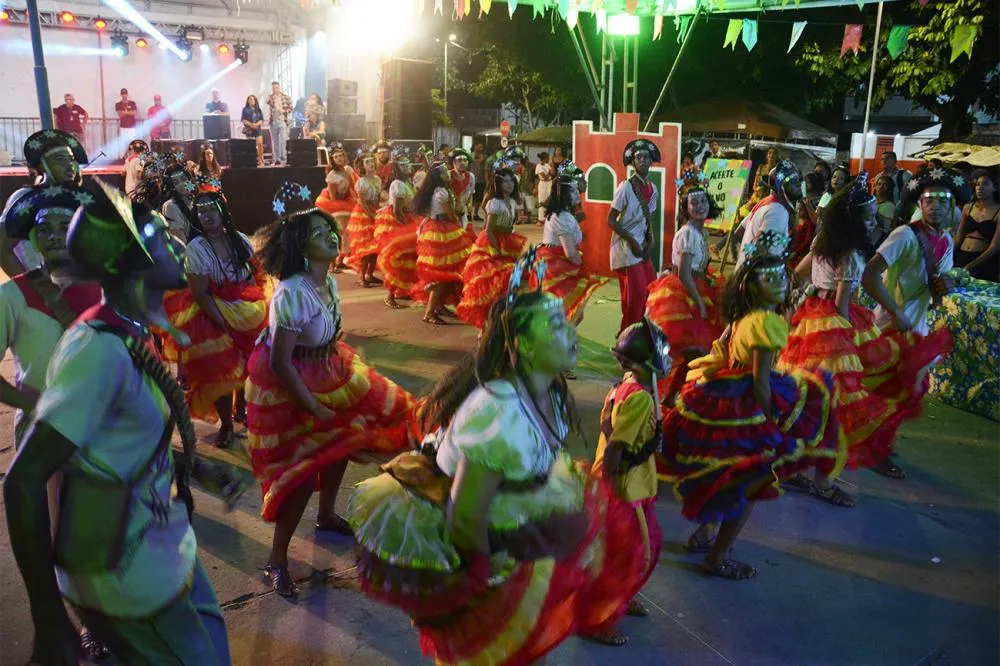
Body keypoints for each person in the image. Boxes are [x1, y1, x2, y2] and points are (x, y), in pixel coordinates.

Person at [348, 251, 648, 662]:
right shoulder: (499, 411)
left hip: (506, 525)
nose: (573, 335)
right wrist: (491, 590)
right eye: (556, 327)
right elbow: (466, 520)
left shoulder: (549, 393)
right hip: (476, 541)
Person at [5, 182, 232, 663]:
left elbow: (114, 438)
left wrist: (197, 467)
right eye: (155, 233)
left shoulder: (131, 329)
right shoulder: (99, 348)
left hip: (163, 547)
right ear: (125, 260)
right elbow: (22, 480)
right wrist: (49, 620)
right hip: (123, 574)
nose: (173, 239)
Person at [245, 184, 417, 596]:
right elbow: (281, 363)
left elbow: (328, 338)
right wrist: (313, 406)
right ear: (303, 246)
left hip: (327, 364)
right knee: (301, 475)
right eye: (321, 232)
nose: (332, 235)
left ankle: (326, 517)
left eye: (331, 230)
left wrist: (332, 388)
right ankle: (277, 559)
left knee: (341, 444)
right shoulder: (290, 293)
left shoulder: (331, 283)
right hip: (287, 382)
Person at [659, 230, 844, 580]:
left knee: (728, 475)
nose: (779, 284)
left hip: (727, 401)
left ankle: (704, 533)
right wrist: (771, 420)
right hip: (747, 407)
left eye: (781, 277)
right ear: (750, 285)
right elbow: (761, 381)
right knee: (749, 485)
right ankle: (717, 556)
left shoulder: (740, 318)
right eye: (769, 278)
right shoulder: (765, 324)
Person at [780, 173, 945, 504]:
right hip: (833, 328)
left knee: (804, 399)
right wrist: (849, 348)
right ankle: (823, 482)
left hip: (807, 323)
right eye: (869, 217)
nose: (874, 223)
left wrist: (799, 301)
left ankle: (790, 467)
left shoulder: (822, 241)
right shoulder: (853, 255)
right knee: (840, 410)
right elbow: (842, 305)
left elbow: (796, 272)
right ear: (854, 220)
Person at [0, 184, 109, 660]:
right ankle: (77, 621)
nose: (54, 235)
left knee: (108, 528)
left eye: (65, 225)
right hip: (48, 432)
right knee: (63, 532)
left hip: (107, 429)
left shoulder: (107, 284)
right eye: (43, 228)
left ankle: (106, 614)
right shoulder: (12, 295)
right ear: (32, 241)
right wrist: (30, 404)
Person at [861, 167, 968, 478]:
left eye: (942, 201)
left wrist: (943, 289)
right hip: (891, 325)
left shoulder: (946, 240)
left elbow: (936, 293)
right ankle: (874, 447)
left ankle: (878, 442)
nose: (935, 206)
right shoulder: (904, 234)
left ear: (951, 208)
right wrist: (896, 311)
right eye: (928, 200)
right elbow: (869, 276)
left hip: (917, 328)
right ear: (919, 205)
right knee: (886, 389)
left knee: (907, 391)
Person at [166, 191, 270, 445]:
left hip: (246, 310)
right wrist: (224, 325)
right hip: (211, 312)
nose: (206, 216)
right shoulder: (197, 247)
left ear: (223, 211)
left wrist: (251, 309)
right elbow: (200, 293)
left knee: (247, 367)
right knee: (221, 373)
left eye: (211, 210)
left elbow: (255, 274)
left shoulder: (240, 240)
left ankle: (241, 409)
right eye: (201, 212)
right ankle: (226, 425)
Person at [590, 318, 669, 644]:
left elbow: (612, 431)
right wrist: (607, 492)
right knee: (631, 554)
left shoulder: (627, 385)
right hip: (625, 489)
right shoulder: (638, 398)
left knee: (632, 551)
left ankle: (620, 595)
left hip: (634, 485)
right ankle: (598, 619)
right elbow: (618, 448)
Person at [645, 169, 726, 404]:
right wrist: (699, 302)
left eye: (703, 201)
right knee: (691, 351)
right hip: (686, 292)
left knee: (694, 353)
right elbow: (684, 273)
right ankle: (667, 398)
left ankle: (675, 397)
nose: (700, 206)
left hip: (698, 286)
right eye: (694, 203)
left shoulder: (699, 232)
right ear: (685, 207)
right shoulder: (688, 233)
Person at [1, 129, 87, 277]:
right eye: (60, 159)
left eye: (71, 159)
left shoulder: (82, 198)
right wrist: (30, 285)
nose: (69, 164)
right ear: (42, 166)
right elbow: (2, 246)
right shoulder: (25, 198)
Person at [534, 162, 608, 329]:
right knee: (567, 313)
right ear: (565, 193)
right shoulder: (562, 217)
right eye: (573, 190)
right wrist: (580, 270)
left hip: (554, 265)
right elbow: (570, 252)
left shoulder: (563, 215)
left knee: (570, 313)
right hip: (557, 268)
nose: (578, 194)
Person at [455, 157, 526, 328]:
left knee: (506, 281)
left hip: (508, 241)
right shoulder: (495, 203)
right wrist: (497, 249)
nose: (509, 185)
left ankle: (501, 319)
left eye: (511, 182)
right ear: (497, 184)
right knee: (490, 283)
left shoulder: (510, 202)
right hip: (493, 243)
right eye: (505, 182)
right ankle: (488, 323)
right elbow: (488, 230)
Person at [412, 162, 473, 325]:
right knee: (444, 275)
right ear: (439, 175)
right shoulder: (442, 191)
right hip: (442, 231)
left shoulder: (437, 190)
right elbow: (450, 214)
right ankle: (430, 312)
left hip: (436, 229)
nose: (448, 173)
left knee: (447, 273)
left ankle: (439, 306)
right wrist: (459, 226)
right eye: (445, 171)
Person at [609, 139, 660, 333]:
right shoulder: (626, 187)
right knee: (634, 299)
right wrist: (632, 241)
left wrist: (651, 240)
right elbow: (611, 220)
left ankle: (642, 335)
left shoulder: (652, 189)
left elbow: (648, 220)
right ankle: (628, 339)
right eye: (639, 157)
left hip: (641, 246)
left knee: (651, 292)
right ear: (633, 162)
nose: (643, 160)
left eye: (646, 157)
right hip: (625, 249)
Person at [736, 160, 803, 268]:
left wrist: (743, 256)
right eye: (793, 181)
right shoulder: (777, 211)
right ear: (781, 186)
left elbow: (739, 233)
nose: (799, 184)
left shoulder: (765, 202)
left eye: (799, 180)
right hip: (758, 279)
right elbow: (758, 251)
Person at [374, 151, 419, 309]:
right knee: (396, 261)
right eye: (403, 165)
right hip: (398, 222)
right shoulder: (398, 184)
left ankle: (402, 290)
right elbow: (397, 210)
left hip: (409, 219)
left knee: (409, 260)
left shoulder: (408, 182)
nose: (407, 167)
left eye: (408, 164)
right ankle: (390, 295)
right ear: (397, 168)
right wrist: (406, 228)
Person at [954, 169, 999, 281]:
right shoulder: (968, 208)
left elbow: (994, 247)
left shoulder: (998, 212)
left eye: (985, 184)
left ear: (995, 188)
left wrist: (971, 266)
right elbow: (958, 238)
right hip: (960, 257)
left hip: (983, 262)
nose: (980, 187)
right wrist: (946, 256)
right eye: (978, 184)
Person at [346, 151, 382, 287]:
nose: (371, 164)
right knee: (366, 249)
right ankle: (362, 277)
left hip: (374, 212)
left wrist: (379, 213)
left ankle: (370, 274)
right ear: (362, 165)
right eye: (367, 162)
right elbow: (362, 203)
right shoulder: (361, 182)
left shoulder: (377, 179)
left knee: (376, 247)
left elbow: (376, 200)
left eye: (372, 161)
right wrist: (372, 216)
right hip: (363, 215)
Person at [788, 171, 825, 268]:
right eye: (805, 181)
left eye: (808, 182)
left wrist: (796, 252)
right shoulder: (802, 198)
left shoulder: (818, 200)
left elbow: (807, 240)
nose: (805, 184)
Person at [448, 148, 476, 229]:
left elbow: (470, 195)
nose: (463, 163)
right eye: (459, 160)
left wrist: (469, 209)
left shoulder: (471, 177)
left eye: (465, 160)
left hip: (463, 215)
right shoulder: (447, 176)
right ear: (453, 162)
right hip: (448, 217)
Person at [267, 81, 292, 166]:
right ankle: (276, 160)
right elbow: (268, 102)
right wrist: (273, 99)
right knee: (275, 142)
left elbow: (291, 108)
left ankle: (284, 159)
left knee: (283, 140)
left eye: (276, 87)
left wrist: (284, 111)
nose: (275, 89)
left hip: (282, 122)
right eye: (273, 88)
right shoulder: (270, 97)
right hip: (273, 122)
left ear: (279, 87)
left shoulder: (285, 97)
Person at [241, 95, 266, 167]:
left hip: (258, 129)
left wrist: (256, 124)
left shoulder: (258, 109)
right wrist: (251, 125)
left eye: (253, 99)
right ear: (248, 101)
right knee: (250, 146)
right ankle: (251, 161)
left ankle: (261, 161)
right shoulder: (245, 109)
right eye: (250, 99)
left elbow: (261, 119)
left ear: (255, 101)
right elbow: (243, 119)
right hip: (249, 129)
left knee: (260, 144)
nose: (252, 100)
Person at [873, 174, 897, 247]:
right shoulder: (872, 201)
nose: (881, 187)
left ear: (889, 189)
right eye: (879, 184)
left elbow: (886, 229)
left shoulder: (890, 206)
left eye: (885, 185)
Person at [535, 151, 553, 225]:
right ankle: (540, 219)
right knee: (542, 201)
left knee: (548, 200)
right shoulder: (538, 166)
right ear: (544, 158)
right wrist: (549, 177)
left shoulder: (547, 165)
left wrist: (552, 165)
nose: (548, 159)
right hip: (543, 184)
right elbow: (545, 177)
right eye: (547, 158)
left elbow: (552, 173)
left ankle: (547, 218)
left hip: (549, 184)